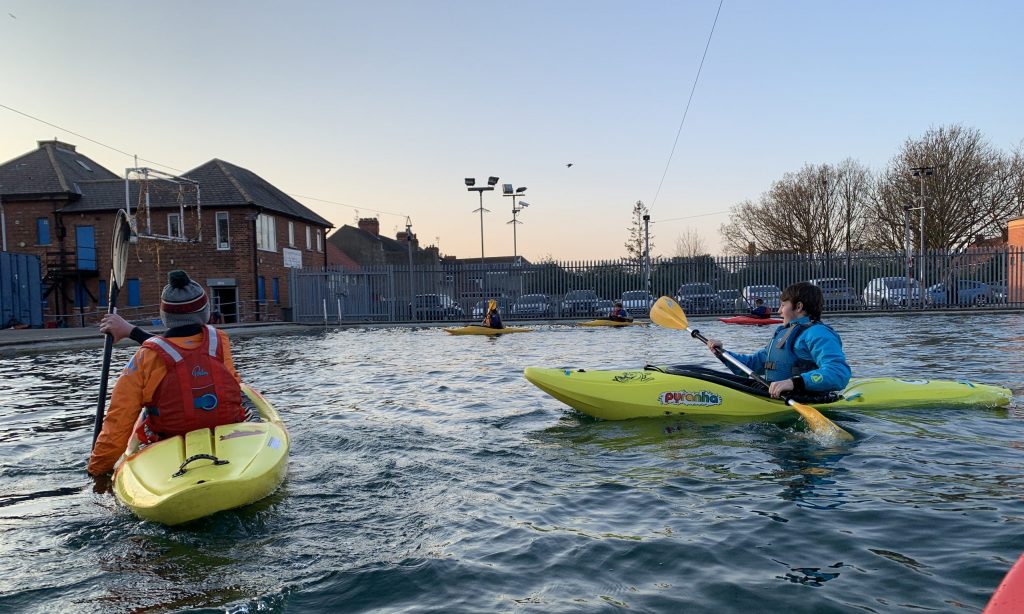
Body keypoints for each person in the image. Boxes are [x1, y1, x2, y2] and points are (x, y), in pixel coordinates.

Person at [88, 270, 246, 476]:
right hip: (226, 431)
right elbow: (184, 350)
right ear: (205, 313)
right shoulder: (220, 342)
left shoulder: (144, 358)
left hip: (167, 439)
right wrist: (132, 331)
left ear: (165, 317)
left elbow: (119, 420)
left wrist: (96, 470)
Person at [705, 282, 850, 399]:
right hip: (775, 395)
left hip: (805, 399)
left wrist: (795, 383)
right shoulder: (784, 333)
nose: (779, 311)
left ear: (798, 307)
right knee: (705, 374)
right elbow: (752, 365)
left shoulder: (818, 333)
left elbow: (838, 373)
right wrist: (722, 353)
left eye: (783, 305)